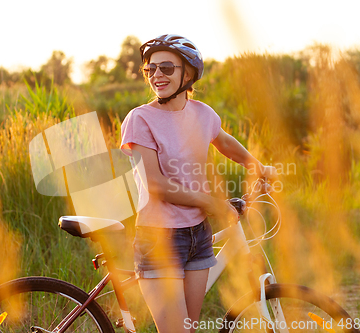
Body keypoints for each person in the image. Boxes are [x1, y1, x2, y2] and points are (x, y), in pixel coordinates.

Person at [120, 34, 276, 333]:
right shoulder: (140, 119)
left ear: (187, 73)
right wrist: (213, 204)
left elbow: (225, 142)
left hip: (199, 236)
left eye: (166, 68)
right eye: (150, 69)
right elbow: (156, 185)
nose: (157, 75)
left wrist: (259, 167)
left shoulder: (202, 113)